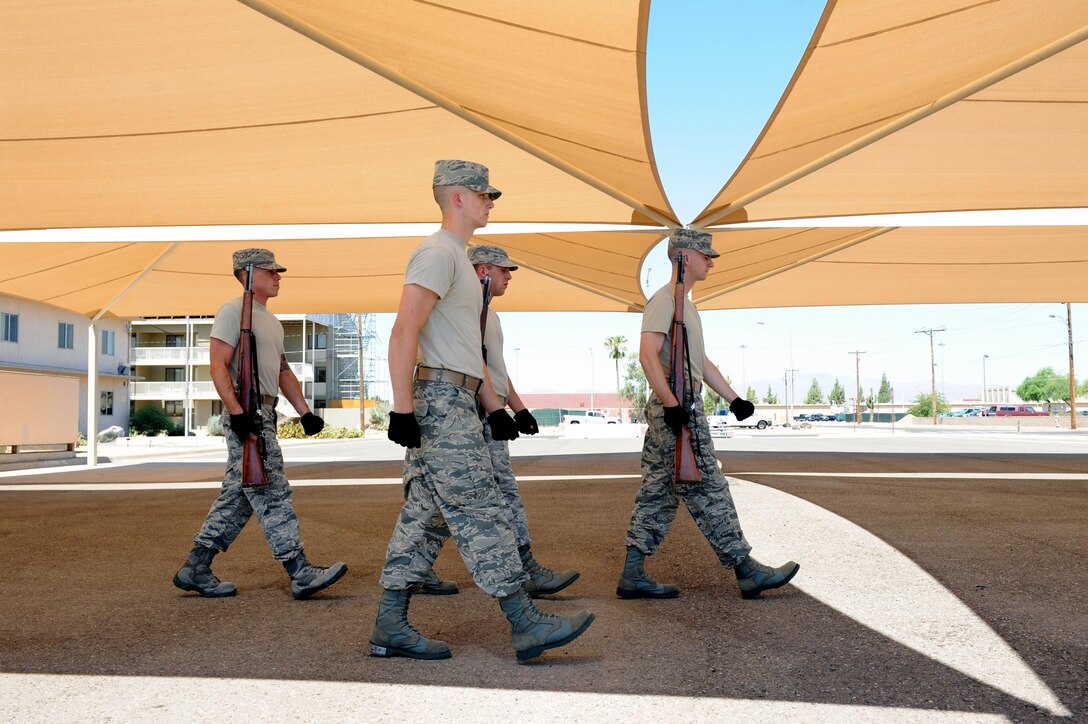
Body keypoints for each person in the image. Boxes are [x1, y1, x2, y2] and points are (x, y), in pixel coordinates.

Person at [370, 160, 594, 662]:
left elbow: (472, 355)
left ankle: (390, 625)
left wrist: (494, 407)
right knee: (480, 508)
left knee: (425, 518)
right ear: (456, 198)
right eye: (483, 194)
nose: (491, 202)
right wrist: (401, 409)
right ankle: (525, 621)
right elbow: (404, 330)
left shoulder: (457, 259)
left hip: (458, 399)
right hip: (440, 403)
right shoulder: (436, 253)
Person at [618, 229, 799, 600]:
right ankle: (746, 570)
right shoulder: (665, 300)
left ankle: (632, 573)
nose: (711, 262)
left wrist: (733, 399)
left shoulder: (687, 305)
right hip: (677, 407)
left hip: (678, 404)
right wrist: (672, 405)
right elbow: (647, 356)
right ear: (683, 258)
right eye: (705, 256)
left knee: (659, 491)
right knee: (709, 487)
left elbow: (700, 362)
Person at [173, 249, 348, 600]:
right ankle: (299, 571)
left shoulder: (271, 320)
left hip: (266, 413)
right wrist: (237, 412)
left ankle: (196, 566)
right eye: (271, 271)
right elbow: (218, 365)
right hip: (247, 414)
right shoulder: (233, 312)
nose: (278, 276)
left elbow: (283, 371)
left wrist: (305, 412)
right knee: (270, 490)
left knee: (240, 495)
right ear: (248, 273)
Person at [413, 244, 578, 598]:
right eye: (505, 270)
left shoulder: (489, 314)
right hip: (470, 412)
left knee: (457, 496)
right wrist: (498, 409)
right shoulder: (464, 308)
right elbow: (474, 364)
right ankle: (524, 569)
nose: (509, 277)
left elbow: (495, 368)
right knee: (486, 494)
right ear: (484, 270)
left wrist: (518, 407)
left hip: (490, 410)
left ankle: (421, 569)